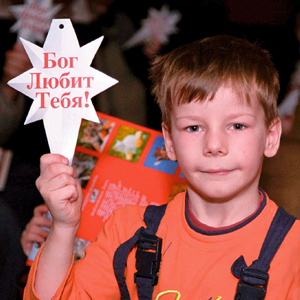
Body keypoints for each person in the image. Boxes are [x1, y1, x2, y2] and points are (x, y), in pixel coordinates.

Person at [24, 35, 300, 299]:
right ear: (169, 141)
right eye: (193, 127)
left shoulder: (294, 250)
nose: (214, 145)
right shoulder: (128, 230)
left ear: (271, 137)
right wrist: (63, 227)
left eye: (237, 126)